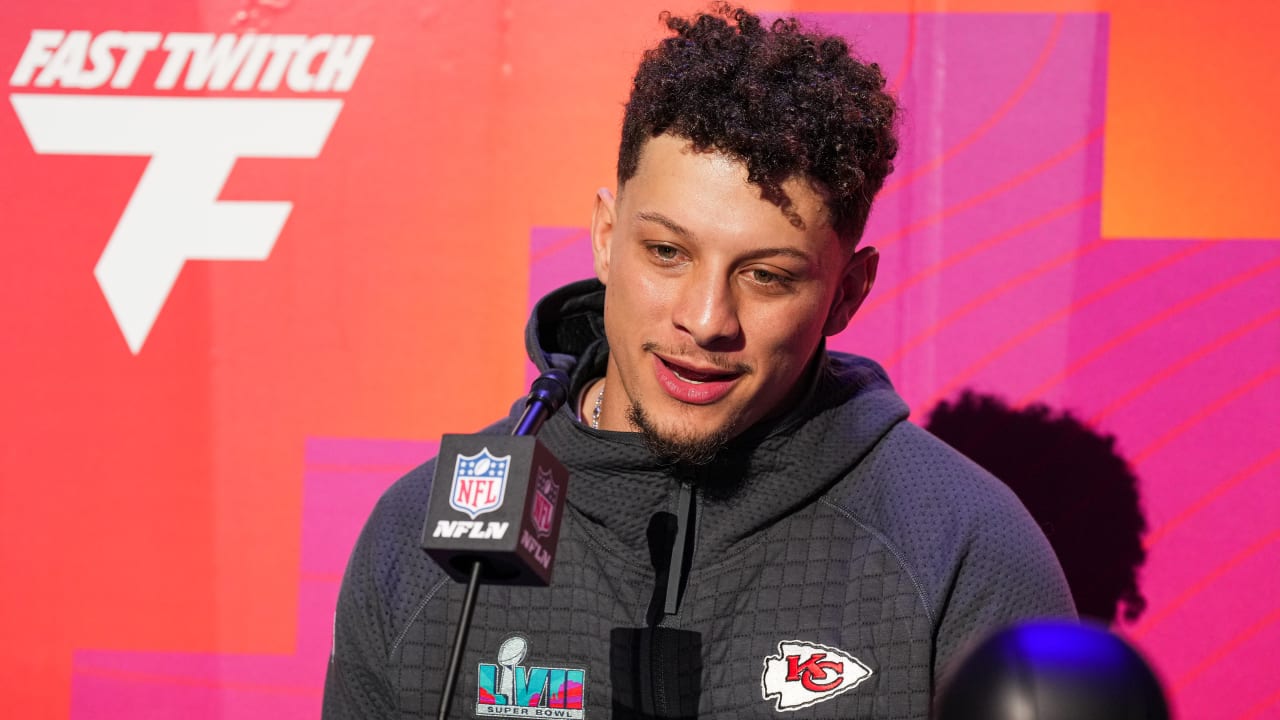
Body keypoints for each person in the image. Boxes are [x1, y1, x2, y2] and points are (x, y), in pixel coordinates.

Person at [323, 6, 1075, 719]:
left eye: (766, 276)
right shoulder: (421, 535)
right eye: (666, 253)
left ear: (847, 293)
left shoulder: (960, 550)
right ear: (604, 235)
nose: (705, 320)